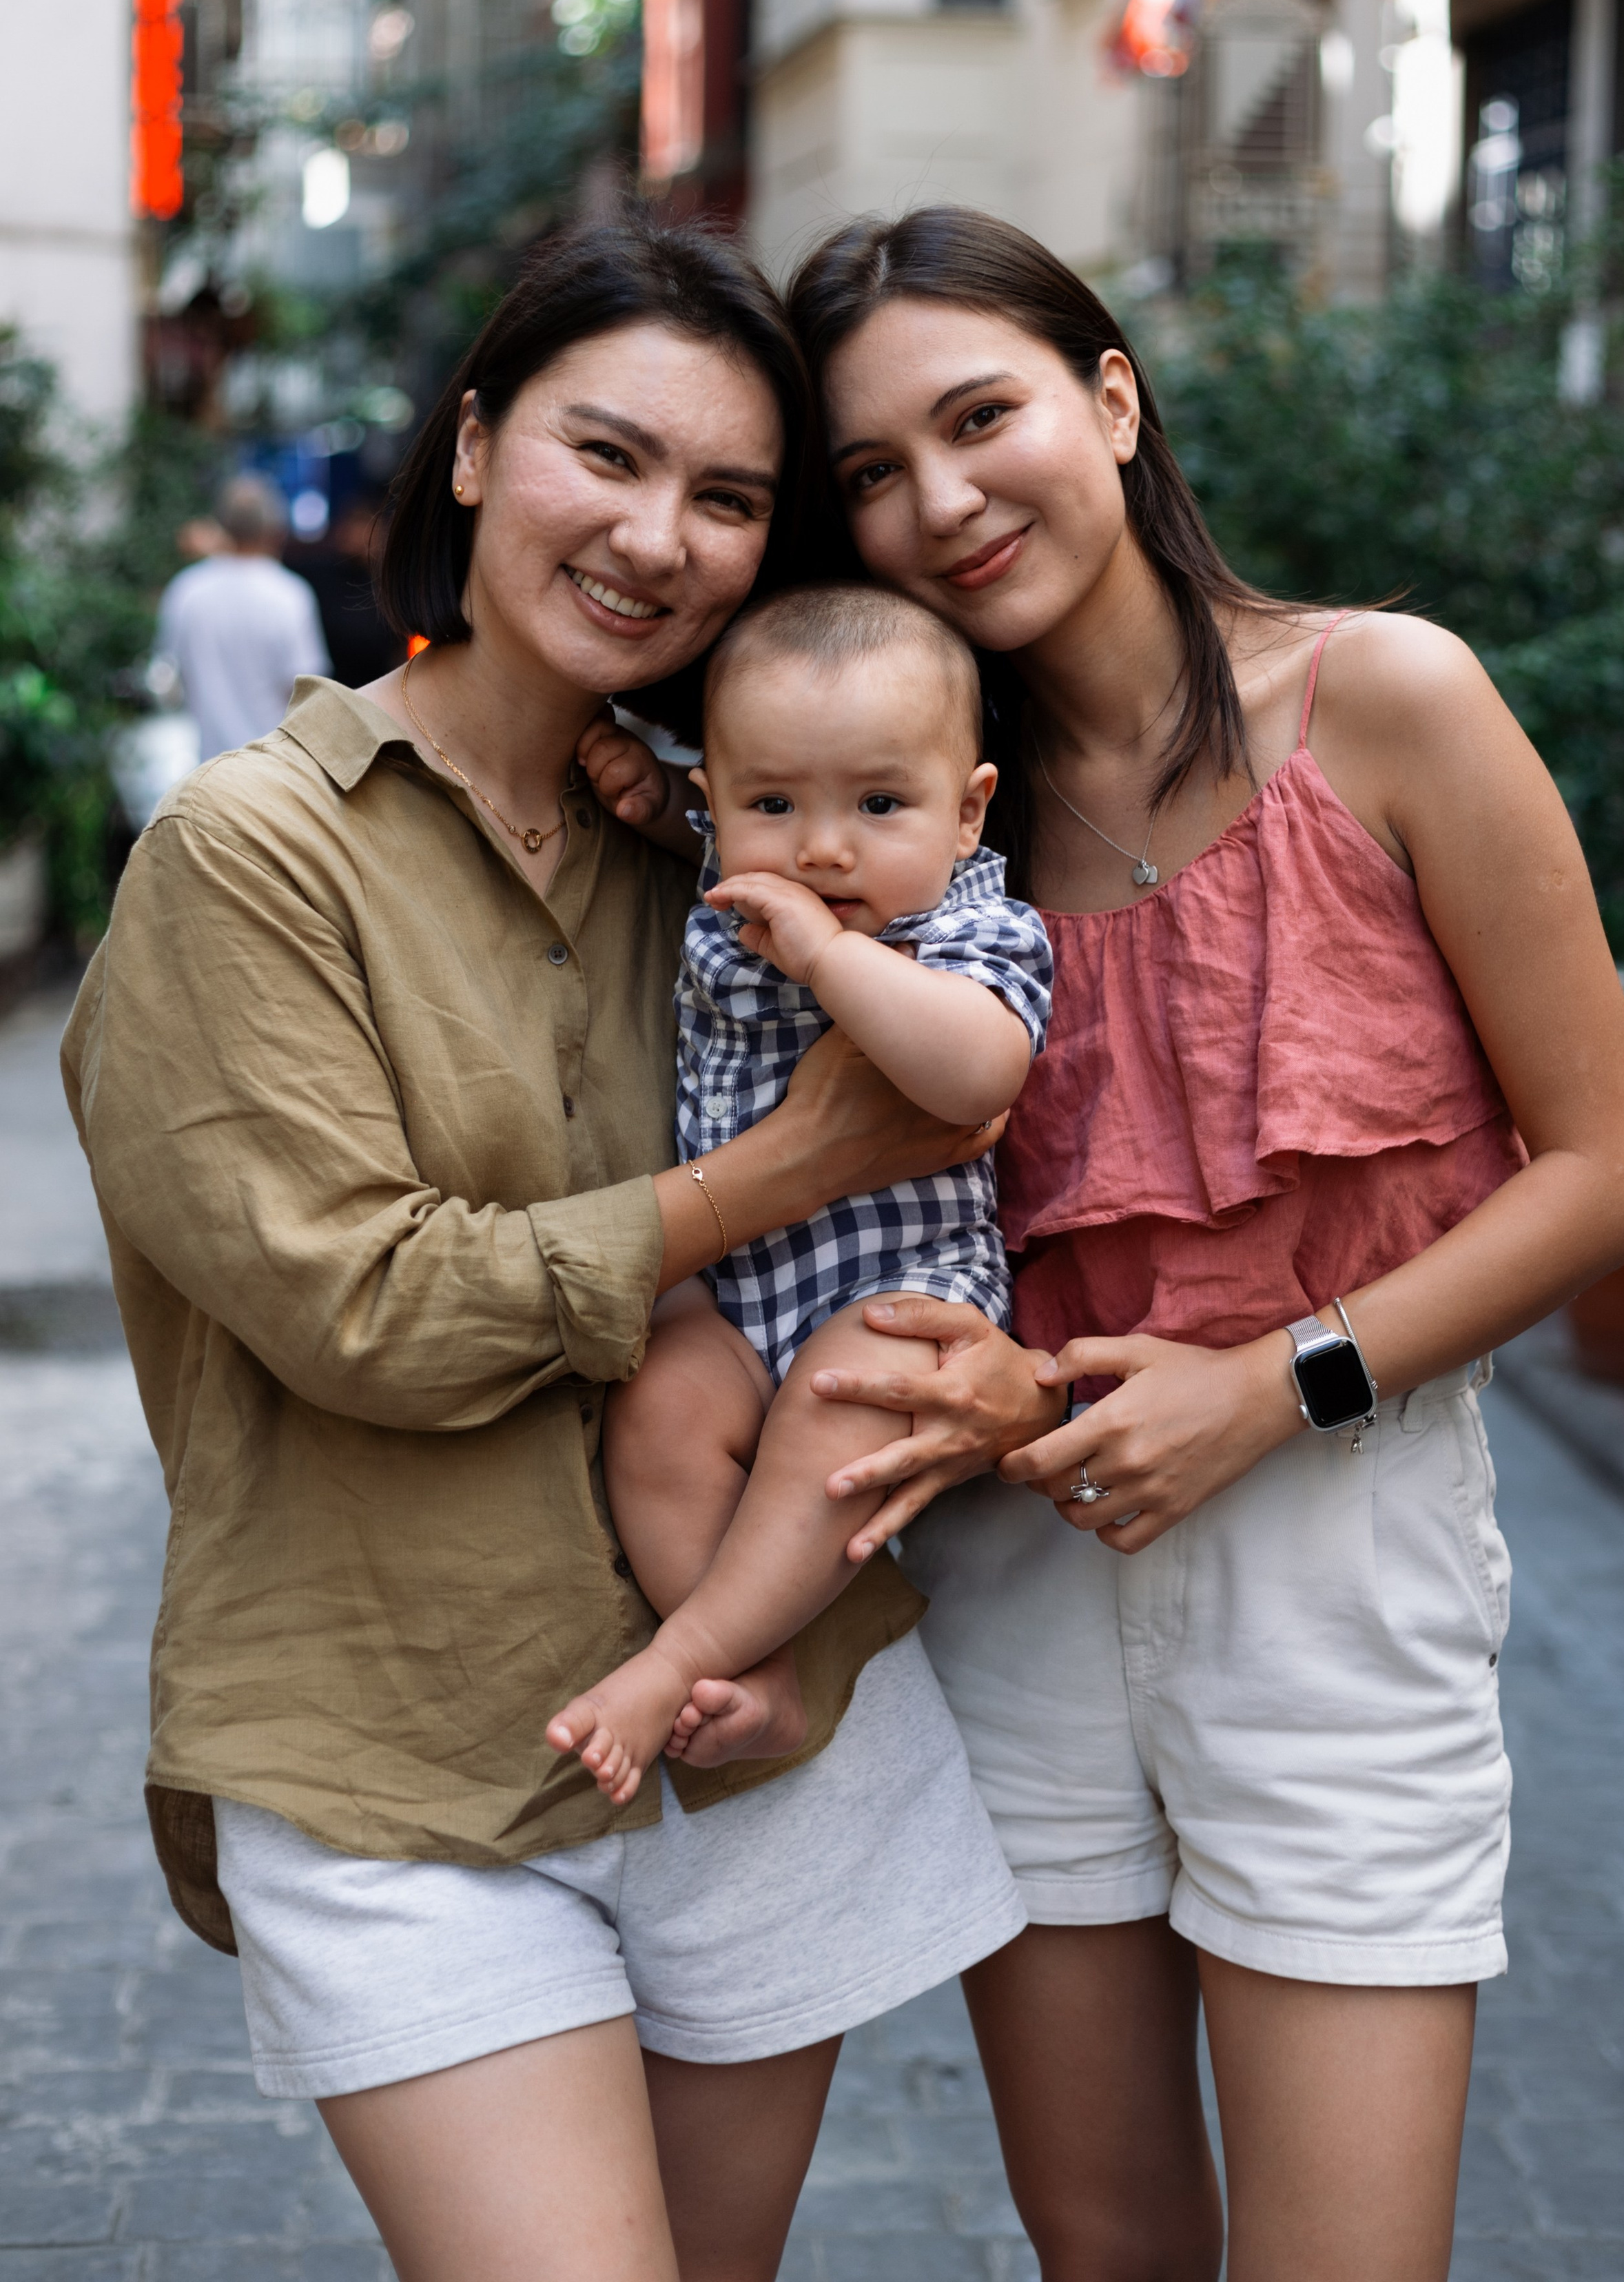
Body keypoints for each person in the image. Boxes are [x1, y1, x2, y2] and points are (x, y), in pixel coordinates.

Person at [586, 205, 1624, 2282]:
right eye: (874, 475)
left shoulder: (1386, 703)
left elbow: (1610, 1167)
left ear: (1106, 395)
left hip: (1334, 1556)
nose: (942, 501)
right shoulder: (895, 812)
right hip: (1015, 1554)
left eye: (979, 415)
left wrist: (1281, 1379)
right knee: (1105, 2247)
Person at [62, 218, 1031, 2282]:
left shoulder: (731, 834)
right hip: (404, 1738)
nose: (660, 534)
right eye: (610, 452)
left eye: (729, 497)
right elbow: (367, 1308)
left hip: (768, 1719)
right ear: (482, 444)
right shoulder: (252, 851)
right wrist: (787, 1164)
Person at [551, 583, 1052, 1805]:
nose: (823, 850)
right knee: (658, 1404)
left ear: (967, 807)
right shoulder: (741, 872)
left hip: (896, 1289)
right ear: (718, 804)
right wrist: (640, 790)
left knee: (848, 1406)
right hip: (730, 1289)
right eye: (775, 804)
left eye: (881, 804)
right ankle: (758, 1663)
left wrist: (832, 958)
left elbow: (977, 1069)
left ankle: (682, 1659)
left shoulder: (966, 928)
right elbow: (696, 828)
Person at [156, 472, 330, 757]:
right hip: (272, 767)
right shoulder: (290, 595)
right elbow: (307, 691)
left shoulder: (186, 590)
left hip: (205, 768)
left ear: (222, 525)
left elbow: (168, 678)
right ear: (275, 529)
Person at [285, 488, 406, 687]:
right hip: (329, 686)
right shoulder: (320, 571)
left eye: (367, 527)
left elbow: (399, 648)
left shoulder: (390, 583)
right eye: (354, 526)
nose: (359, 536)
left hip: (378, 687)